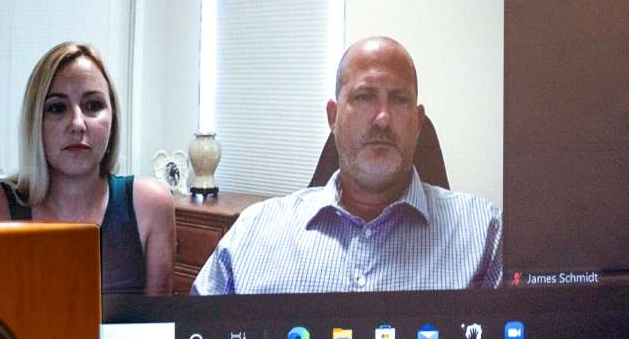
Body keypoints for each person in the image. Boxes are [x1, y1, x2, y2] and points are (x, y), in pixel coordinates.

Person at [192, 37, 502, 295]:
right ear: (333, 117)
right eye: (365, 97)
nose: (382, 118)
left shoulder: (486, 235)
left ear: (418, 122)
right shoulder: (252, 232)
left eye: (398, 100)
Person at [0, 43, 175, 295]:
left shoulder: (151, 205)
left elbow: (156, 328)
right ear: (35, 121)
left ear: (113, 117)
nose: (77, 124)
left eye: (93, 105)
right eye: (57, 107)